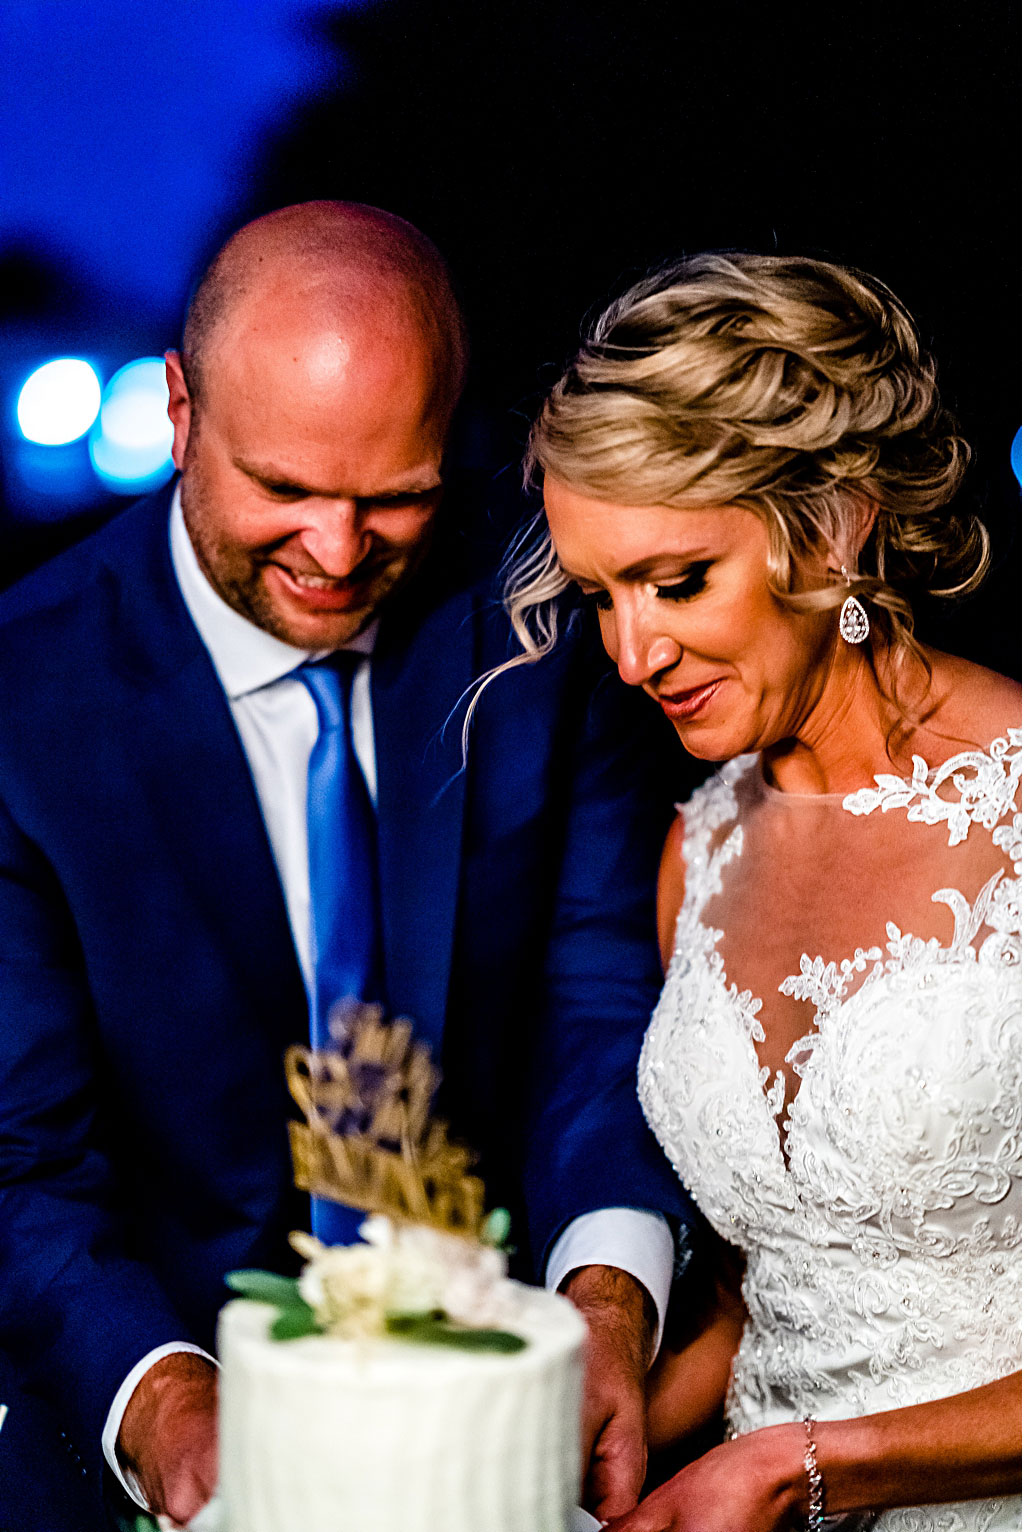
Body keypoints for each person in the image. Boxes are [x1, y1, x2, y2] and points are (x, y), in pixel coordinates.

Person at [0, 202, 699, 1530]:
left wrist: (606, 1295)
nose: (336, 553)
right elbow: (18, 1158)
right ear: (179, 410)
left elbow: (598, 994)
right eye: (285, 492)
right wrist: (158, 1401)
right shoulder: (22, 702)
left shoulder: (542, 618)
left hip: (504, 1431)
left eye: (395, 499)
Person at [490, 252, 1021, 1530]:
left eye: (674, 582)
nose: (630, 653)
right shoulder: (700, 841)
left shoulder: (1020, 828)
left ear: (831, 524)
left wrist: (798, 1465)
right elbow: (755, 1299)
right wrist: (554, 1447)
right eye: (599, 594)